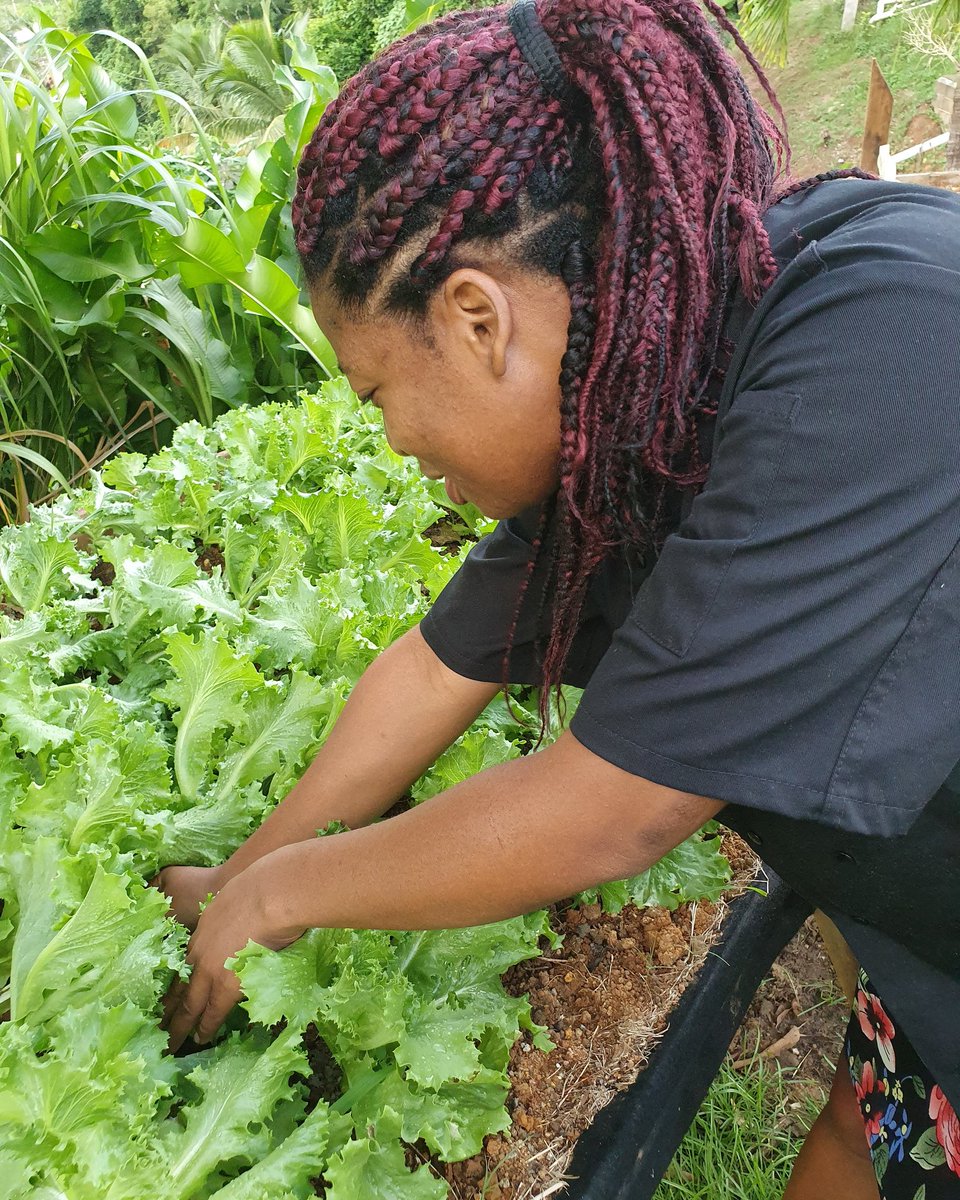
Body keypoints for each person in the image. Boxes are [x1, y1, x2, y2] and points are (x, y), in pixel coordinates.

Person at [155, 0, 960, 1195]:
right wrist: (239, 876)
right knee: (865, 1127)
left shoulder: (883, 349)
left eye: (378, 393)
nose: (392, 442)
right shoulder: (655, 389)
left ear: (477, 319)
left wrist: (285, 894)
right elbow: (438, 666)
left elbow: (613, 808)